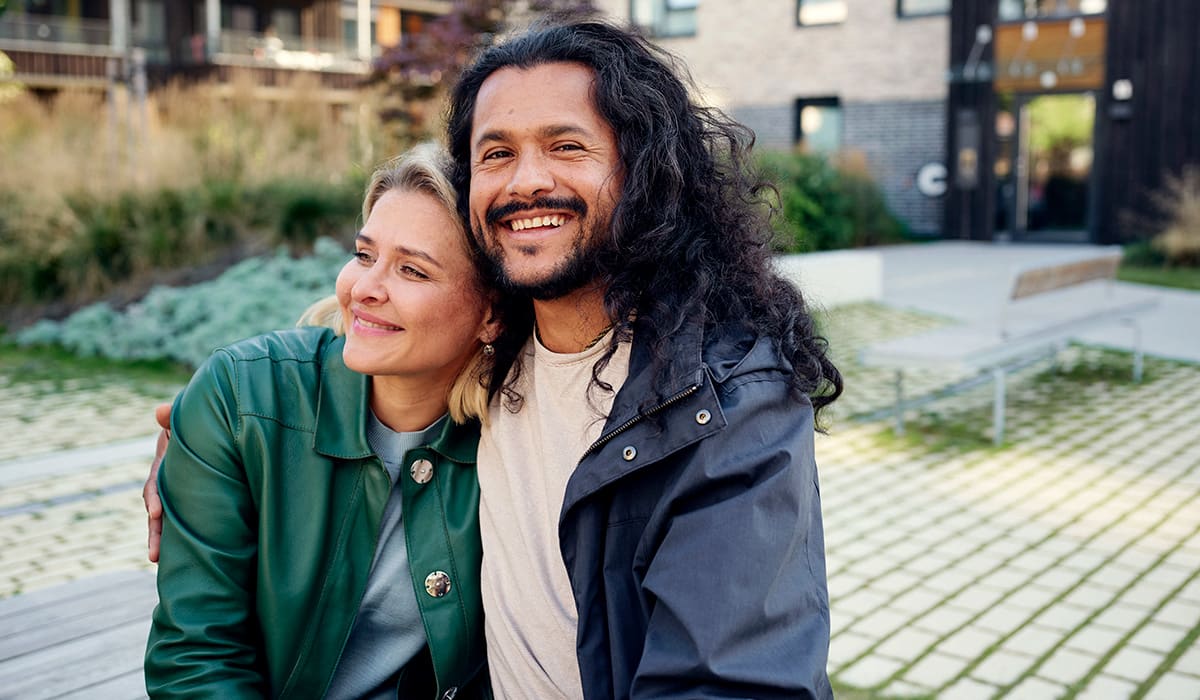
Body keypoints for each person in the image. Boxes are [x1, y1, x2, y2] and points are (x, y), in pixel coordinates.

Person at [147, 18, 843, 700]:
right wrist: (199, 449)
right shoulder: (490, 370)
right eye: (497, 152)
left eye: (567, 146)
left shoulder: (726, 403)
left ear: (644, 173)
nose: (526, 181)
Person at [144, 144, 508, 699]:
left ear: (492, 315)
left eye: (411, 269)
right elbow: (197, 657)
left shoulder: (521, 436)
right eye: (365, 255)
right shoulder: (240, 399)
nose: (364, 289)